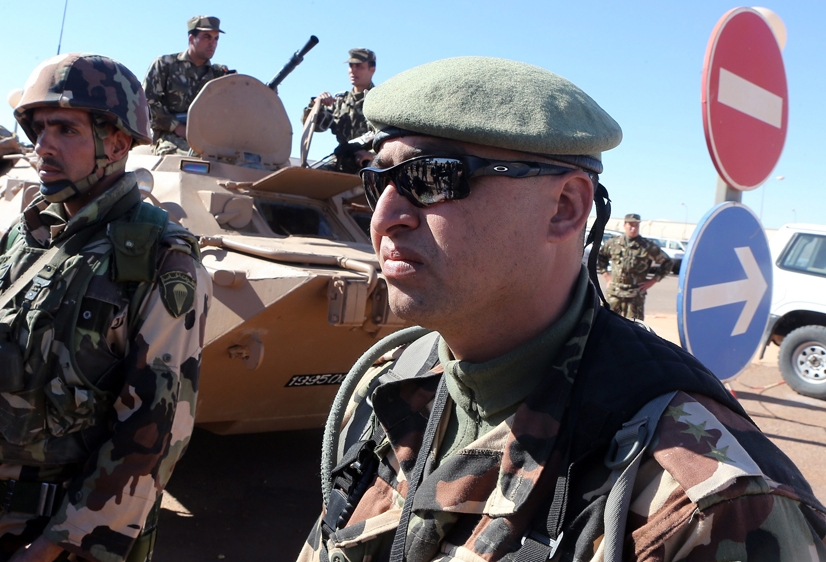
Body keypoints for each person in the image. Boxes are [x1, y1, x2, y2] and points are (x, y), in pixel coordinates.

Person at [298, 57, 826, 562]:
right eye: (378, 181)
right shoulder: (391, 380)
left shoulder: (701, 500)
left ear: (565, 207)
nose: (385, 216)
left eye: (431, 177)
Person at [0, 53, 210, 562]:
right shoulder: (24, 236)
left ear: (119, 141)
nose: (43, 147)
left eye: (65, 129)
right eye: (38, 130)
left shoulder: (160, 258)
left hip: (70, 541)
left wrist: (56, 544)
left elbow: (155, 432)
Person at [144, 15, 234, 155]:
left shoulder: (220, 74)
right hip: (170, 136)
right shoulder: (165, 65)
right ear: (191, 39)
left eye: (216, 38)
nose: (213, 43)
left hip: (208, 139)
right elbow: (147, 103)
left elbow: (239, 103)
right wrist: (177, 127)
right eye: (207, 37)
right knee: (184, 162)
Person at [302, 48, 377, 174]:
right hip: (342, 163)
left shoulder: (380, 101)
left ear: (372, 69)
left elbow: (393, 136)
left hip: (371, 165)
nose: (353, 71)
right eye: (351, 66)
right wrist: (316, 105)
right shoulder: (340, 102)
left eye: (359, 66)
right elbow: (316, 127)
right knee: (310, 180)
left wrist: (372, 156)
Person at [596, 213, 671, 321]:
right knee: (605, 323)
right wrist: (606, 275)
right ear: (624, 225)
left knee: (634, 329)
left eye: (636, 225)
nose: (633, 228)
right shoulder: (613, 243)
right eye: (631, 225)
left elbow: (667, 262)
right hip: (615, 292)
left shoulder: (647, 246)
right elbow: (600, 256)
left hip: (635, 295)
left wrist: (653, 280)